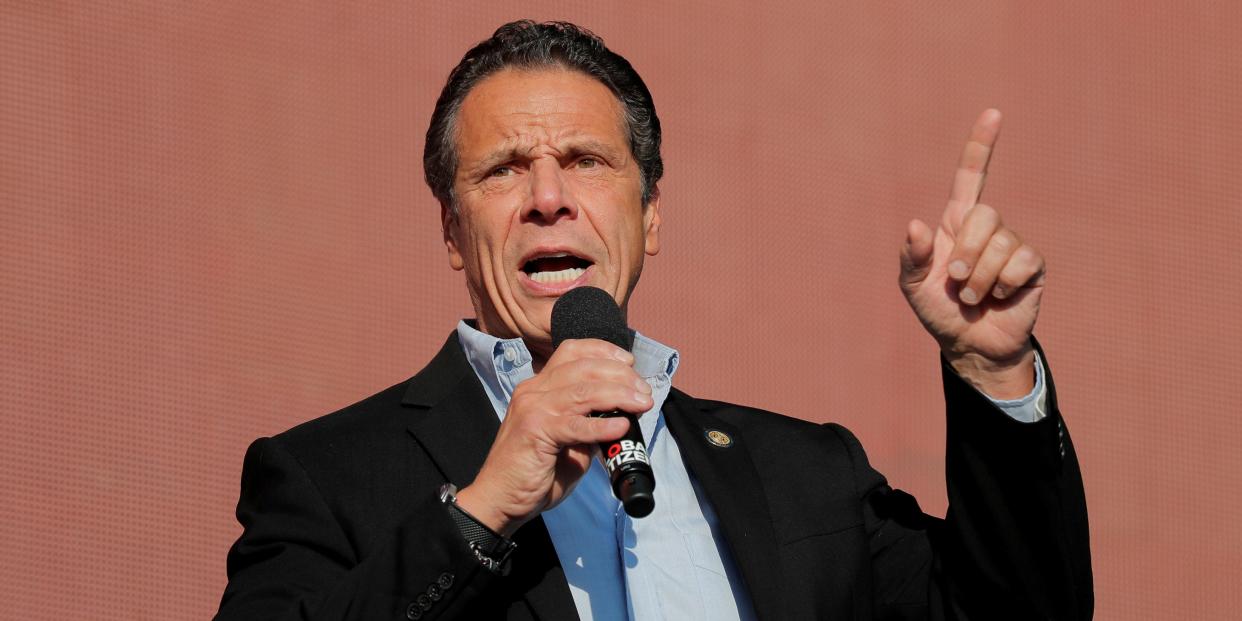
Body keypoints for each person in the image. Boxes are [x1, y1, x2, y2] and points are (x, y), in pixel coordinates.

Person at [216, 20, 1091, 621]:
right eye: (505, 170)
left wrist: (994, 374)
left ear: (651, 216)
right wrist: (483, 509)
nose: (548, 198)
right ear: (453, 229)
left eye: (587, 161)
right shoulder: (327, 476)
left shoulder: (808, 476)